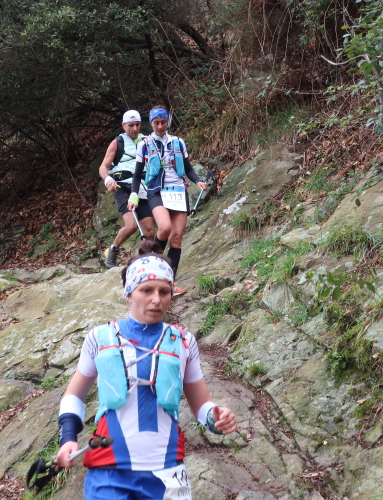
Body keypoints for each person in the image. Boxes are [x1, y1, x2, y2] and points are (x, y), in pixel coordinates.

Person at [55, 240, 237, 499]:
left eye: (164, 291)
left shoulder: (184, 341)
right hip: (109, 474)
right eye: (146, 290)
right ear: (129, 292)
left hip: (168, 472)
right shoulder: (100, 337)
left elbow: (202, 407)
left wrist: (216, 419)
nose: (156, 299)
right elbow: (74, 396)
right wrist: (68, 438)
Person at [127, 105, 215, 295]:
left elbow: (188, 168)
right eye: (156, 123)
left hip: (178, 191)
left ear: (168, 122)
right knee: (165, 228)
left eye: (163, 122)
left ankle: (169, 282)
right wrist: (134, 196)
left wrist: (198, 181)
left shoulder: (178, 142)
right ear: (151, 124)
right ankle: (150, 262)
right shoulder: (145, 144)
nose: (160, 126)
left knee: (176, 238)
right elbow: (137, 175)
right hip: (156, 191)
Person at [99, 110, 156, 268]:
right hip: (122, 187)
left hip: (142, 187)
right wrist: (108, 180)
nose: (135, 128)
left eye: (137, 125)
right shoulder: (117, 142)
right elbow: (103, 167)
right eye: (131, 125)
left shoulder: (147, 140)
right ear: (123, 125)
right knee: (131, 225)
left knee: (149, 231)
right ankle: (113, 249)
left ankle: (143, 262)